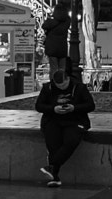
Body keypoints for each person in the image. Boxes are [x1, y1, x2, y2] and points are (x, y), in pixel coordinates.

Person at [34, 57, 95, 187]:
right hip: (53, 119)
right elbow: (39, 106)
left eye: (63, 85)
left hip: (75, 120)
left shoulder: (79, 87)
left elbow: (90, 105)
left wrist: (74, 108)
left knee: (71, 140)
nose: (61, 88)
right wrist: (53, 109)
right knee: (53, 143)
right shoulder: (48, 88)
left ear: (68, 79)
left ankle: (52, 168)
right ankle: (54, 177)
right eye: (58, 86)